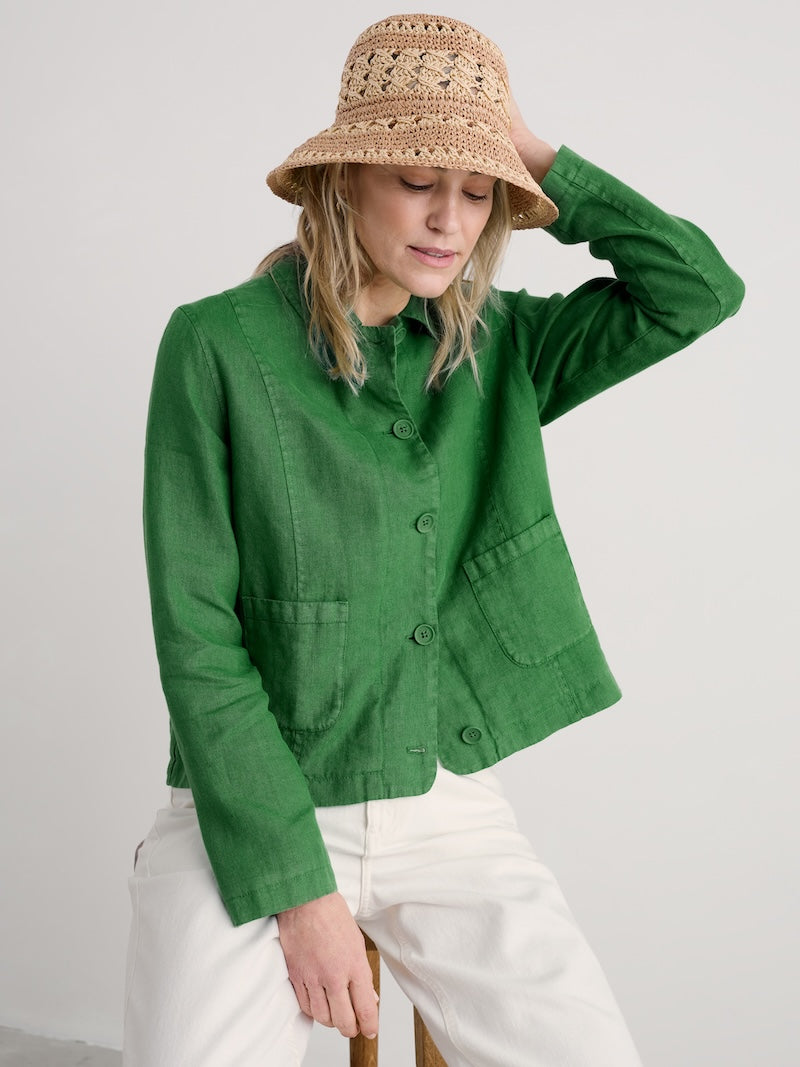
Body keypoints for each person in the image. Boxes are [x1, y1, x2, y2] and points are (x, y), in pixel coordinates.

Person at [123, 12, 744, 1067]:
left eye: (476, 191)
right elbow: (194, 634)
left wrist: (532, 152)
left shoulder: (496, 343)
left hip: (440, 794)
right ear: (346, 176)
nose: (450, 220)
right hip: (256, 796)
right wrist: (298, 886)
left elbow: (696, 291)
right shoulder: (216, 344)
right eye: (418, 179)